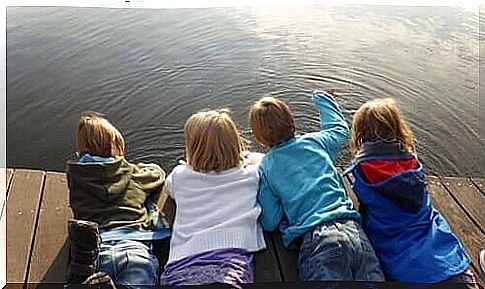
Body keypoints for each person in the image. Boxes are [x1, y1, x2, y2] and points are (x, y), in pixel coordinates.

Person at [249, 91, 384, 282]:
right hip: (355, 232)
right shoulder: (316, 142)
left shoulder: (266, 167)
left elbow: (270, 221)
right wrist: (323, 98)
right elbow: (340, 130)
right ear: (291, 120)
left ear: (258, 137)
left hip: (318, 240)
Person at [343, 98, 477, 286]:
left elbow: (368, 202)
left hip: (394, 238)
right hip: (434, 244)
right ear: (397, 128)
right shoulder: (412, 162)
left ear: (359, 133)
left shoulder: (362, 168)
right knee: (430, 225)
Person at [160, 109, 266, 288]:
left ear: (192, 148)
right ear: (236, 142)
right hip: (230, 261)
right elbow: (265, 159)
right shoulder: (251, 173)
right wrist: (244, 157)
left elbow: (169, 189)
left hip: (182, 263)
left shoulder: (180, 176)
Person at [66, 112, 170, 288]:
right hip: (135, 249)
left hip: (98, 252)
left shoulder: (76, 176)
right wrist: (146, 167)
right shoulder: (130, 174)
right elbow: (157, 175)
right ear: (117, 148)